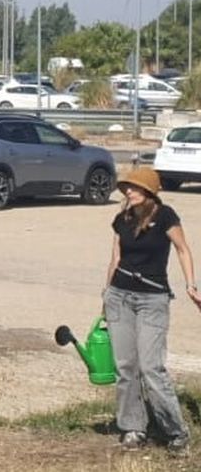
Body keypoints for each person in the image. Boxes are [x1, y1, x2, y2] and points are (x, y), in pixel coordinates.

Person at [104, 166, 201, 454]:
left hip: (152, 299)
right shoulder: (122, 219)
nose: (127, 192)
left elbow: (183, 249)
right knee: (125, 367)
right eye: (125, 188)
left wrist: (191, 285)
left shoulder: (165, 215)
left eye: (133, 188)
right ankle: (133, 428)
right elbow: (116, 257)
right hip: (119, 296)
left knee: (150, 367)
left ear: (148, 190)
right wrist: (106, 294)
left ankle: (176, 432)